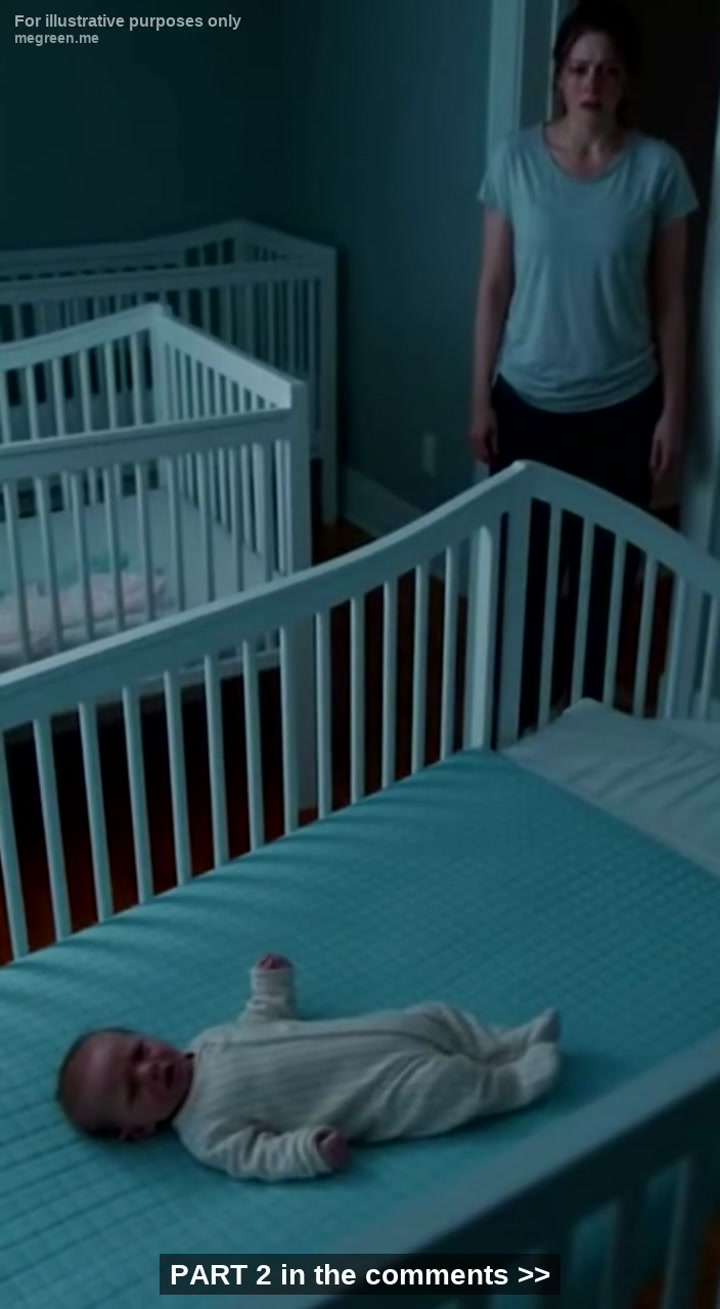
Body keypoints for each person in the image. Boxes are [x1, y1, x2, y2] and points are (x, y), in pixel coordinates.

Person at [468, 0, 699, 733]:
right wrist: (479, 398)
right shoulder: (513, 161)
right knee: (525, 583)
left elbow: (671, 302)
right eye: (578, 69)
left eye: (607, 70)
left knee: (604, 585)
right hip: (527, 407)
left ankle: (584, 731)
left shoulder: (658, 171)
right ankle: (514, 730)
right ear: (558, 77)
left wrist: (674, 410)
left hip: (622, 411)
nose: (591, 83)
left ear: (626, 82)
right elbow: (493, 287)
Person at [56, 953, 561, 1181]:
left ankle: (506, 1040)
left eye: (139, 1052)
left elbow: (263, 1020)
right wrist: (309, 1152)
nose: (148, 1069)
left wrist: (270, 987)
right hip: (378, 1092)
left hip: (382, 1032)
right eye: (132, 1089)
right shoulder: (205, 1132)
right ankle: (513, 1081)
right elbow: (260, 1156)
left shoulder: (207, 1041)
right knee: (446, 1088)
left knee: (435, 1016)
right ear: (139, 1131)